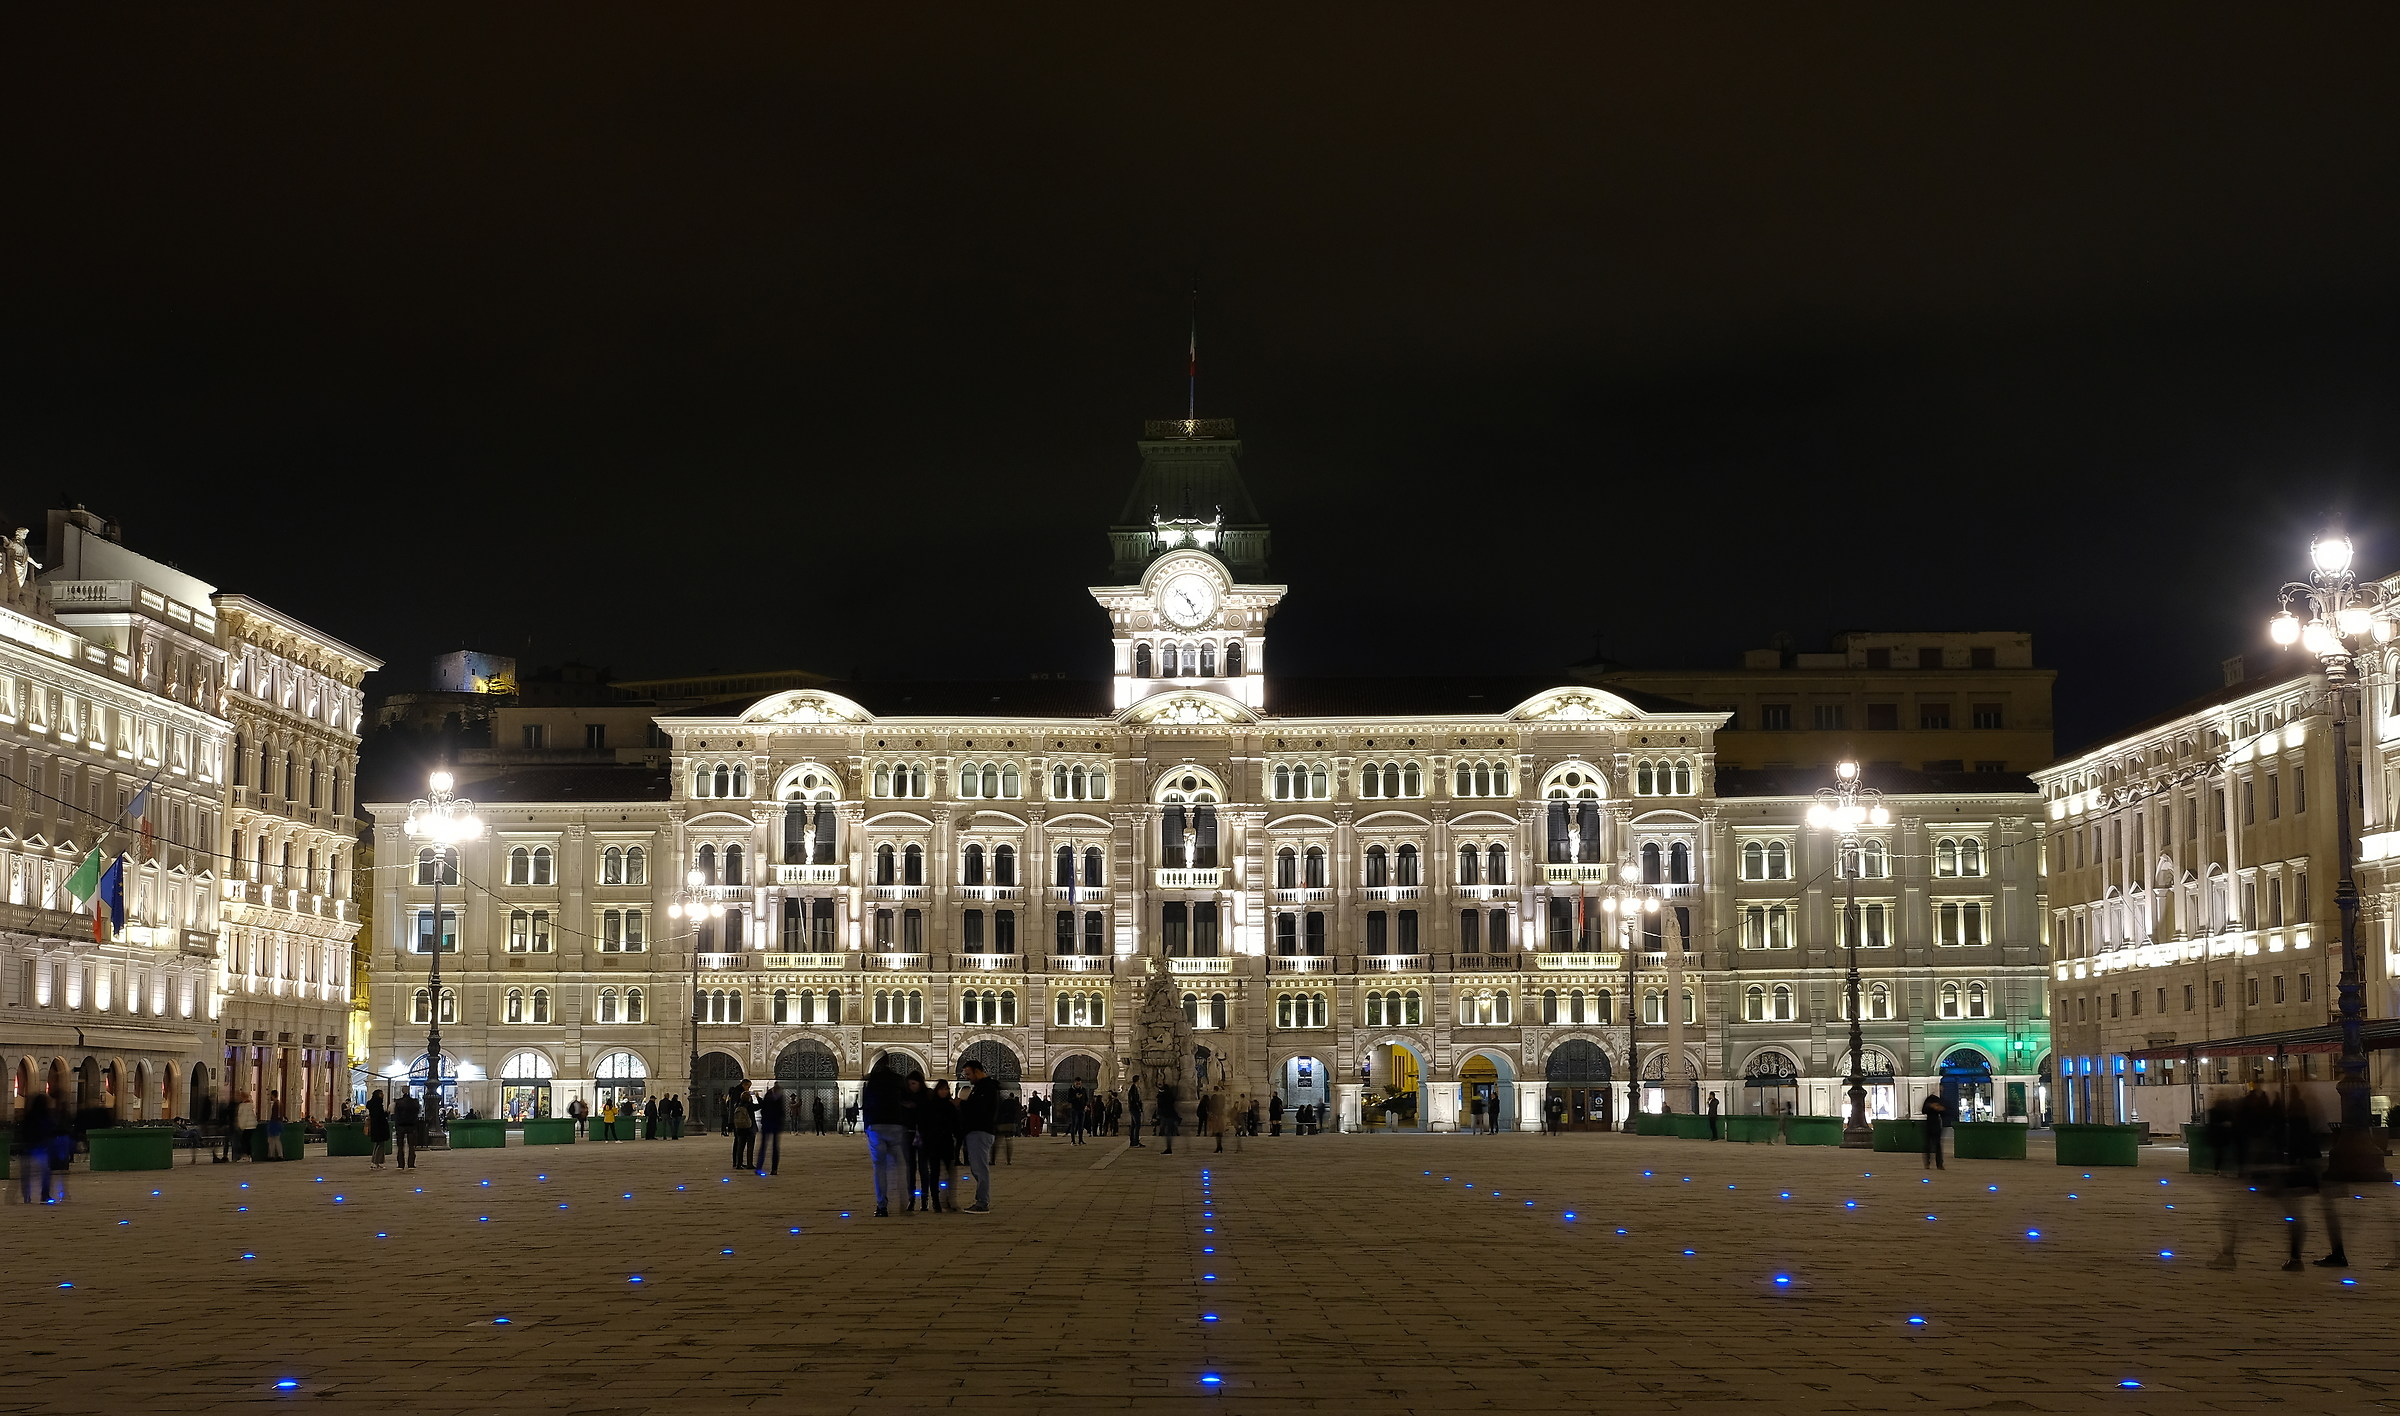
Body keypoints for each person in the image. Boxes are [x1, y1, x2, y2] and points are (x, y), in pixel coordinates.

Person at [861, 1061, 910, 1217]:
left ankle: (882, 1206)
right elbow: (907, 1103)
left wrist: (866, 1126)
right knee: (900, 1165)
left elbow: (866, 1105)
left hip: (876, 1126)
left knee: (880, 1168)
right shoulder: (898, 1080)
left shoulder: (872, 1082)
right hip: (895, 1126)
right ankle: (904, 1202)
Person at [957, 1059, 999, 1213]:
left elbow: (979, 1109)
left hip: (980, 1131)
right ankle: (981, 1200)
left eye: (968, 1074)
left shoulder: (986, 1088)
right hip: (977, 1131)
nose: (967, 1077)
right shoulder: (981, 1087)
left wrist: (961, 1104)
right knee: (977, 1168)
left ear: (977, 1071)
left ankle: (982, 1202)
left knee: (980, 1169)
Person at [758, 1086, 785, 1177]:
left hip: (775, 1125)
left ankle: (774, 1169)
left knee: (774, 1148)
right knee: (764, 1147)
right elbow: (764, 1110)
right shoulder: (769, 1097)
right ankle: (759, 1167)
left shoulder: (778, 1099)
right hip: (768, 1124)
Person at [393, 1090, 422, 1170]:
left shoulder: (399, 1102)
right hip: (412, 1126)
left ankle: (401, 1164)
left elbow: (396, 1115)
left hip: (401, 1126)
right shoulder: (414, 1102)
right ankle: (411, 1163)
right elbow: (417, 1112)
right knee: (411, 1146)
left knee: (400, 1147)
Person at [730, 1084, 757, 1170]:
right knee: (750, 1146)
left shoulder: (737, 1105)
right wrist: (757, 1097)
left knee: (740, 1146)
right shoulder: (750, 1106)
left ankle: (738, 1163)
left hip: (739, 1127)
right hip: (749, 1127)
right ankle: (749, 1164)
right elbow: (761, 1105)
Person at [1919, 1091, 1947, 1170]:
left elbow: (1944, 1111)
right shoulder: (1933, 1100)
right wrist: (1933, 1107)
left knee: (1930, 1145)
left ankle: (1931, 1164)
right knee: (1934, 1145)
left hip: (1932, 1124)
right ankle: (1938, 1164)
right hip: (1933, 1124)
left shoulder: (1933, 1100)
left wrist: (1937, 1108)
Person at [366, 1090, 391, 1170]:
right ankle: (376, 1162)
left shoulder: (373, 1104)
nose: (383, 1095)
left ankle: (375, 1162)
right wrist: (386, 1114)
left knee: (377, 1144)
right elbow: (380, 1116)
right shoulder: (378, 1104)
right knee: (380, 1145)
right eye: (381, 1094)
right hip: (379, 1127)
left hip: (375, 1126)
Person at [233, 1092, 258, 1162]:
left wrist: (241, 1126)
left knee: (244, 1141)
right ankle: (249, 1155)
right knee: (247, 1141)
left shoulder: (243, 1106)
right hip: (252, 1125)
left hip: (247, 1126)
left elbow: (243, 1117)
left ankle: (246, 1155)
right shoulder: (250, 1105)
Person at [1157, 1083, 1180, 1155]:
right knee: (1169, 1131)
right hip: (1171, 1115)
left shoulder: (1162, 1096)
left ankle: (1168, 1148)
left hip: (1165, 1115)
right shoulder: (1170, 1096)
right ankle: (1169, 1147)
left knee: (1167, 1131)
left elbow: (1160, 1104)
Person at [1127, 1083, 1145, 1148]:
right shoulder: (1134, 1090)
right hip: (1134, 1109)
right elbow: (1135, 1100)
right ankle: (1135, 1141)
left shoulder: (1133, 1089)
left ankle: (1133, 1141)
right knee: (1137, 1125)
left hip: (1133, 1108)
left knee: (1133, 1125)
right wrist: (1139, 1108)